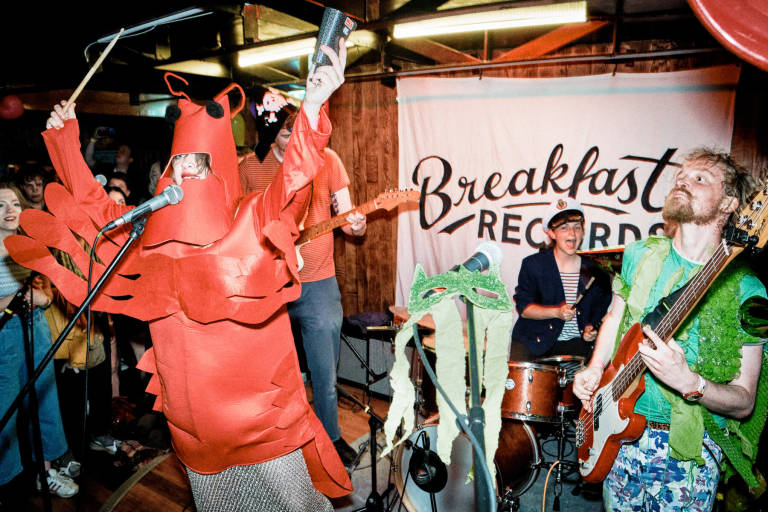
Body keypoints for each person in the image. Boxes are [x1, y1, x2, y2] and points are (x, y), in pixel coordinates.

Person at [10, 41, 352, 511]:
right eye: (181, 168)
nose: (187, 178)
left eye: (200, 167)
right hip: (195, 438)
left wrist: (311, 107)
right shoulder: (145, 240)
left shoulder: (251, 227)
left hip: (264, 429)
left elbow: (291, 184)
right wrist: (65, 138)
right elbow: (96, 210)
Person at [573, 149, 768, 511]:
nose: (682, 180)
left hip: (690, 457)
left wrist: (691, 383)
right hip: (621, 439)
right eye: (681, 176)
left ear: (728, 203)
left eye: (700, 178)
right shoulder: (639, 254)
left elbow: (744, 401)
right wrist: (595, 369)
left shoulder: (746, 291)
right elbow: (615, 318)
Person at [238, 109, 367, 467]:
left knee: (325, 373)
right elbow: (236, 221)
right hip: (267, 283)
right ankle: (275, 444)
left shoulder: (327, 160)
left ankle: (330, 438)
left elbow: (347, 216)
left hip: (318, 281)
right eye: (283, 133)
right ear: (270, 133)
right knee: (269, 374)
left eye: (298, 132)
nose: (293, 138)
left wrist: (356, 226)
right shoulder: (250, 167)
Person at [0, 182, 79, 500]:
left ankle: (45, 473)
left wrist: (42, 299)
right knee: (5, 407)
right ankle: (6, 482)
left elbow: (46, 292)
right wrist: (16, 298)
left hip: (35, 325)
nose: (9, 211)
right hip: (4, 331)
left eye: (15, 205)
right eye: (1, 205)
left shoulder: (29, 243)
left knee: (43, 400)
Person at [509, 198, 611, 361]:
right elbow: (524, 308)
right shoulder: (533, 265)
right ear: (551, 233)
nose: (572, 234)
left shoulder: (597, 271)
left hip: (577, 351)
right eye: (564, 228)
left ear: (583, 231)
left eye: (577, 228)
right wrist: (556, 312)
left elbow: (600, 315)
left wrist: (591, 330)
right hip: (534, 348)